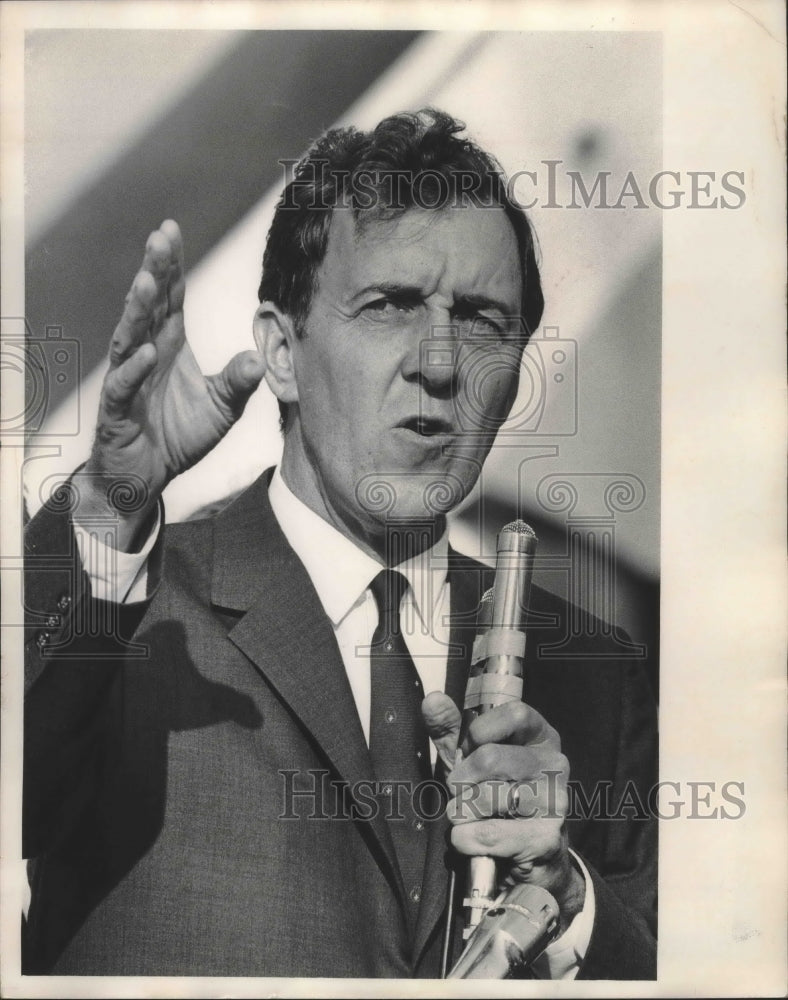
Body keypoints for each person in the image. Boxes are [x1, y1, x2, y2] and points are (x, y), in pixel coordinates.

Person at [23, 109, 657, 979]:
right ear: (282, 352)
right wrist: (109, 502)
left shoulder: (600, 676)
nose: (440, 363)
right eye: (391, 305)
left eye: (479, 319)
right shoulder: (131, 609)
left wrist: (568, 900)